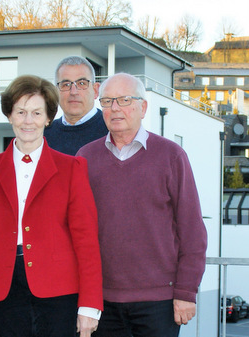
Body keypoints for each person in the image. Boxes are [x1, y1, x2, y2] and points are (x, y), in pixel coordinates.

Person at [0, 75, 103, 337]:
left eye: (37, 113)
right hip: (3, 290)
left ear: (48, 118)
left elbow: (86, 242)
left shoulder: (72, 168)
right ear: (10, 116)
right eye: (21, 112)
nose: (28, 121)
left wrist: (90, 305)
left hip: (59, 289)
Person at [77, 73, 208, 337]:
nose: (115, 108)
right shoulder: (85, 158)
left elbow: (192, 230)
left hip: (159, 302)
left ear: (143, 107)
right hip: (101, 301)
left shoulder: (171, 156)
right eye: (107, 101)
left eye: (124, 100)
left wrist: (186, 291)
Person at [44, 56, 108, 155]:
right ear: (56, 92)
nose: (73, 92)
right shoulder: (44, 135)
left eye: (81, 83)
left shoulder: (112, 131)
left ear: (95, 90)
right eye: (66, 84)